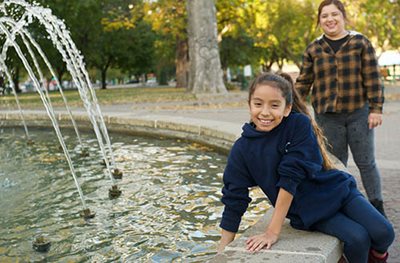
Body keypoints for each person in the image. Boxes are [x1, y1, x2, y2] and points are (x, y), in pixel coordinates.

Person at [217, 72, 394, 263]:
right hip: (308, 210)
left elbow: (290, 177)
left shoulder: (298, 125)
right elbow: (234, 199)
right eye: (258, 104)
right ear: (249, 105)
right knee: (358, 238)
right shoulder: (242, 150)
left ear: (287, 108)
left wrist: (272, 232)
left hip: (338, 191)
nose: (265, 112)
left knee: (384, 233)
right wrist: (222, 253)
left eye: (274, 105)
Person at [295, 0, 386, 216]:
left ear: (343, 17)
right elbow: (303, 83)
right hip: (327, 117)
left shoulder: (360, 43)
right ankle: (341, 205)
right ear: (319, 21)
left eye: (334, 14)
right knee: (335, 165)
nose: (330, 19)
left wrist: (376, 109)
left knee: (366, 163)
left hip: (359, 114)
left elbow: (372, 77)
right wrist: (289, 106)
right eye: (324, 16)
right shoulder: (313, 49)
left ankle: (377, 207)